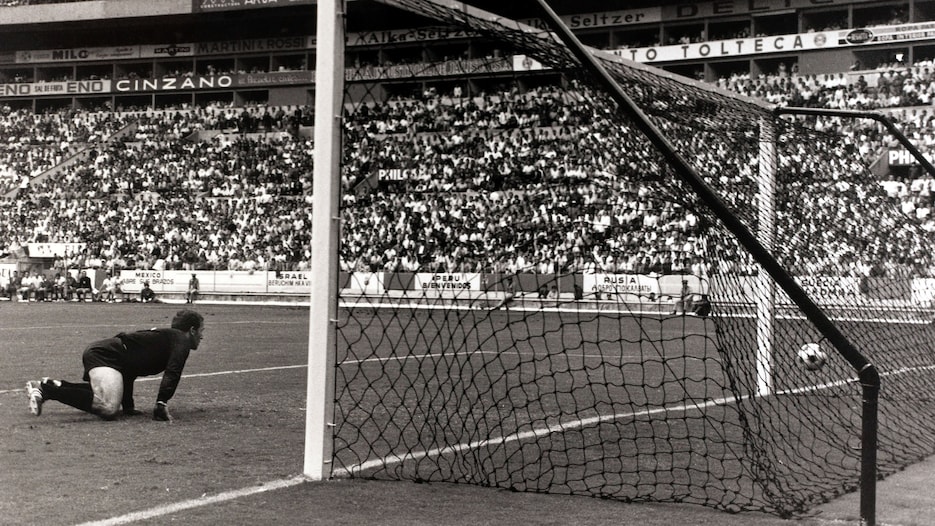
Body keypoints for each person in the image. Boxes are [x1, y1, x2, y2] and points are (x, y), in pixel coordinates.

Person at [25, 309, 205, 421]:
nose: (202, 336)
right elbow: (173, 372)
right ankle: (46, 389)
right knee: (109, 408)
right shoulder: (180, 340)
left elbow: (130, 369)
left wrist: (128, 406)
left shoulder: (166, 339)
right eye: (201, 331)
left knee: (104, 401)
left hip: (107, 354)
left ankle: (53, 385)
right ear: (191, 330)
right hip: (106, 355)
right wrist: (161, 403)